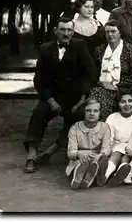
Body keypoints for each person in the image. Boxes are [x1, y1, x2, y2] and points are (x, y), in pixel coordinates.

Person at [23, 17, 96, 173]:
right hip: (53, 97)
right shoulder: (46, 49)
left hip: (73, 98)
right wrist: (49, 100)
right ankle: (31, 156)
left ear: (73, 31)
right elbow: (39, 78)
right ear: (56, 31)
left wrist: (82, 99)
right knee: (38, 113)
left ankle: (50, 152)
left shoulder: (80, 46)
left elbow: (90, 73)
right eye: (62, 30)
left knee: (78, 118)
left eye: (69, 30)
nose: (66, 33)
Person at [89, 20, 132, 121]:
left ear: (120, 32)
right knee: (95, 94)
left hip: (124, 88)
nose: (110, 34)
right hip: (102, 86)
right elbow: (94, 72)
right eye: (107, 32)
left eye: (113, 31)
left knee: (100, 97)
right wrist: (101, 83)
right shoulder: (100, 50)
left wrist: (115, 86)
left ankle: (105, 127)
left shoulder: (130, 50)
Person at [65, 99, 111, 189]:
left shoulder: (104, 127)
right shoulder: (75, 127)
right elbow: (70, 152)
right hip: (81, 158)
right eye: (88, 110)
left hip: (96, 158)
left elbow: (106, 147)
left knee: (102, 160)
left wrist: (101, 154)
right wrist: (79, 153)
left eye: (95, 111)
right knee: (80, 163)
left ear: (100, 113)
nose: (92, 113)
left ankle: (89, 177)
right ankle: (79, 176)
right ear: (84, 112)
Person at [103, 92, 132, 187]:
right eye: (123, 102)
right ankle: (105, 175)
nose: (127, 104)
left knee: (126, 154)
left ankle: (119, 175)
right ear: (118, 104)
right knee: (117, 152)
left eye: (130, 101)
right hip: (117, 146)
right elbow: (109, 138)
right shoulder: (112, 118)